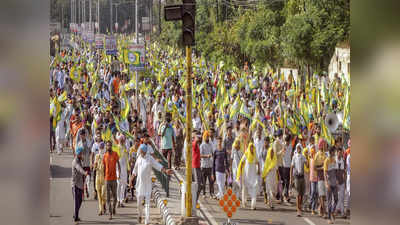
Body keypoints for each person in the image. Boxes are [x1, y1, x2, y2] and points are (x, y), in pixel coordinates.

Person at [131, 144, 173, 224]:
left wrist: (166, 171)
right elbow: (134, 171)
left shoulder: (149, 159)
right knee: (139, 203)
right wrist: (131, 180)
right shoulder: (139, 158)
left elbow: (158, 166)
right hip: (139, 185)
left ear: (144, 151)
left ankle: (147, 222)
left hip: (147, 185)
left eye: (142, 151)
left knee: (147, 204)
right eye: (140, 151)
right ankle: (139, 215)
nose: (140, 152)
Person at [236, 143, 260, 210]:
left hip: (253, 176)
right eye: (251, 147)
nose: (252, 148)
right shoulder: (246, 154)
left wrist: (259, 170)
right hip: (246, 176)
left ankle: (253, 205)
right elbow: (241, 163)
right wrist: (240, 172)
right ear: (249, 147)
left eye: (253, 147)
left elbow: (258, 162)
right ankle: (244, 202)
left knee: (254, 189)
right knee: (244, 190)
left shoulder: (255, 154)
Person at [102, 140, 121, 220]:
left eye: (110, 145)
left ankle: (113, 208)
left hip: (114, 179)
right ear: (106, 147)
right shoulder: (105, 156)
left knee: (115, 197)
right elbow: (104, 167)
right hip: (107, 179)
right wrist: (103, 177)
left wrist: (119, 173)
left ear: (111, 146)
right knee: (108, 197)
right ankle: (110, 213)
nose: (108, 147)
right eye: (107, 145)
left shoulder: (115, 154)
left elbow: (118, 164)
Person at [71, 146, 89, 224]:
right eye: (81, 153)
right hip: (75, 184)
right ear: (78, 153)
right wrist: (84, 173)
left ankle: (75, 214)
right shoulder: (75, 161)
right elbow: (79, 168)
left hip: (80, 184)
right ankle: (76, 218)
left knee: (80, 200)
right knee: (76, 201)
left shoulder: (80, 160)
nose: (82, 154)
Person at [290, 143, 308, 217]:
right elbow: (291, 168)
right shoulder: (294, 157)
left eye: (299, 148)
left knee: (301, 194)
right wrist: (291, 179)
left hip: (302, 177)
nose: (298, 149)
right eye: (297, 148)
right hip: (296, 177)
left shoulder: (303, 156)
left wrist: (307, 159)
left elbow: (307, 165)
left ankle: (300, 207)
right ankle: (298, 209)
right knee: (298, 195)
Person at [261, 138, 278, 209]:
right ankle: (270, 202)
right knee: (268, 190)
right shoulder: (267, 161)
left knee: (273, 190)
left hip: (273, 177)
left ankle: (272, 203)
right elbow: (265, 167)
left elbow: (277, 169)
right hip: (267, 175)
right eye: (270, 152)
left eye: (272, 152)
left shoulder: (274, 161)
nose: (271, 153)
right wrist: (263, 175)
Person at [324, 146, 339, 224]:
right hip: (329, 183)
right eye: (334, 151)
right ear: (331, 152)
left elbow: (335, 171)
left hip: (334, 183)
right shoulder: (326, 160)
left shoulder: (334, 160)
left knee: (336, 199)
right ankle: (329, 218)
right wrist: (326, 183)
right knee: (329, 201)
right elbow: (325, 172)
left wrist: (336, 181)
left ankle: (333, 211)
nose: (335, 152)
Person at [200, 130, 215, 198]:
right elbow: (200, 155)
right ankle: (204, 193)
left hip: (210, 165)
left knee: (211, 181)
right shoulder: (202, 145)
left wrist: (212, 155)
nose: (207, 138)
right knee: (203, 181)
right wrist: (207, 156)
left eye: (208, 137)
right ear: (204, 137)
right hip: (204, 165)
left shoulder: (210, 144)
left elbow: (213, 152)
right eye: (206, 137)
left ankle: (211, 193)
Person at [315, 138, 328, 218]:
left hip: (326, 177)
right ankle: (324, 212)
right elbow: (314, 168)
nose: (326, 145)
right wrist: (322, 168)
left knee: (324, 196)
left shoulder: (326, 154)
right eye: (324, 144)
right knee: (322, 195)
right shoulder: (317, 155)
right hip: (320, 177)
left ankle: (320, 209)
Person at [93, 142, 106, 215]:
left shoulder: (106, 156)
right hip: (98, 175)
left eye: (102, 147)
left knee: (103, 193)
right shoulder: (97, 156)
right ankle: (100, 209)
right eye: (100, 147)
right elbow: (94, 167)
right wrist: (94, 166)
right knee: (99, 193)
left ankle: (104, 203)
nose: (101, 148)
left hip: (104, 177)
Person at [116, 136, 129, 208]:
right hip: (118, 168)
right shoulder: (117, 147)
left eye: (122, 140)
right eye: (120, 140)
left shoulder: (125, 148)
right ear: (118, 140)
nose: (121, 141)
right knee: (119, 185)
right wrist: (117, 171)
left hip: (124, 168)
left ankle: (121, 201)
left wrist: (128, 167)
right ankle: (118, 200)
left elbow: (127, 158)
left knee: (124, 185)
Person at [192, 131, 202, 202]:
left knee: (200, 185)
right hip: (195, 166)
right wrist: (196, 137)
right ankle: (194, 201)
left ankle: (194, 200)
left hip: (198, 166)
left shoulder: (198, 145)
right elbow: (196, 141)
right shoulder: (194, 143)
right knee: (198, 186)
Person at [336, 148, 346, 218]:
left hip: (342, 182)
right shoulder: (334, 160)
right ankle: (335, 211)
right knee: (335, 198)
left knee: (342, 198)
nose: (340, 154)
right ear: (337, 153)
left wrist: (344, 180)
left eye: (341, 153)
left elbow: (344, 171)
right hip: (335, 182)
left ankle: (342, 212)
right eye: (339, 152)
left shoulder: (343, 160)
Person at [309, 147, 319, 215]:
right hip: (312, 178)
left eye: (314, 153)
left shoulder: (315, 160)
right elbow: (315, 168)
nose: (313, 154)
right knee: (313, 192)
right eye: (312, 153)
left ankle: (313, 208)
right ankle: (311, 205)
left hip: (317, 178)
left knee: (316, 193)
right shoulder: (311, 160)